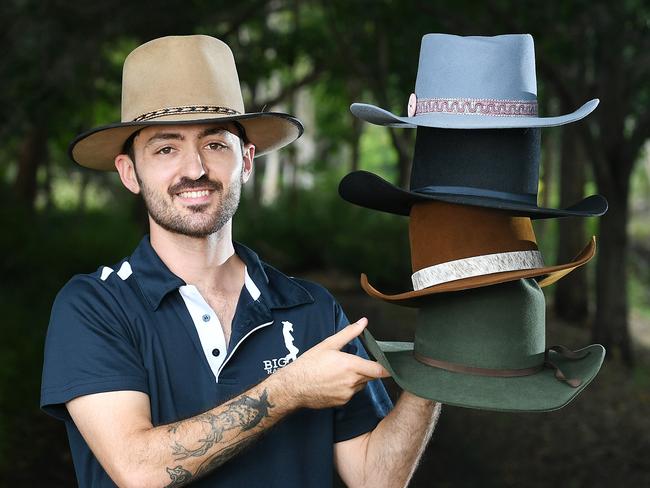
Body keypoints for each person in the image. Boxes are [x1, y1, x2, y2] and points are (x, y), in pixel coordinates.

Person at [40, 35, 440, 488]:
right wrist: (288, 390)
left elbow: (375, 478)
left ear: (246, 161)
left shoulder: (311, 308)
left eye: (215, 145)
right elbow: (140, 470)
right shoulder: (95, 305)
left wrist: (439, 368)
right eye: (166, 149)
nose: (194, 169)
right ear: (130, 172)